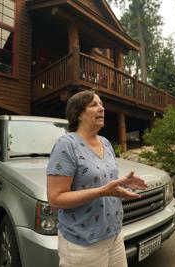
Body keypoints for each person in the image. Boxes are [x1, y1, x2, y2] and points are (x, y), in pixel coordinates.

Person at [47, 90, 147, 267]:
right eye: (94, 105)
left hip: (114, 234)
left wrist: (124, 182)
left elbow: (104, 182)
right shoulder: (67, 145)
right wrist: (102, 191)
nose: (102, 108)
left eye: (101, 104)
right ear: (78, 114)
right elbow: (55, 199)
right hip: (83, 243)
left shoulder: (105, 142)